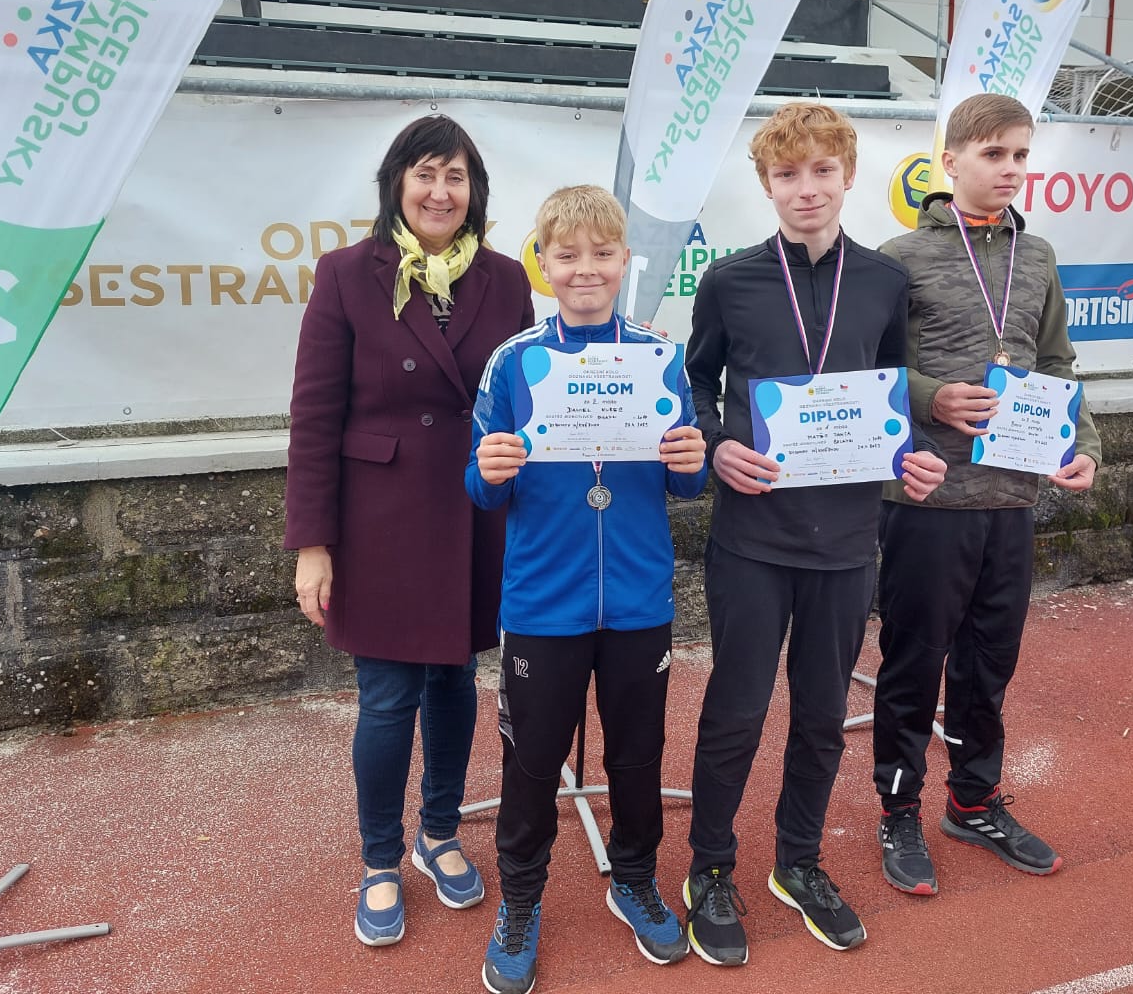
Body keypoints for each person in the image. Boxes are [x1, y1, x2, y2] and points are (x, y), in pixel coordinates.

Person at [682, 103, 947, 965]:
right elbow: (695, 383)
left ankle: (797, 862)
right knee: (736, 712)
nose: (807, 189)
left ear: (848, 175)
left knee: (824, 717)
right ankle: (709, 868)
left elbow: (890, 390)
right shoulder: (729, 280)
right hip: (753, 539)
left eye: (822, 171)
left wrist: (913, 455)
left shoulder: (882, 281)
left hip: (846, 540)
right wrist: (715, 445)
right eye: (788, 175)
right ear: (766, 184)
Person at [284, 114, 535, 947]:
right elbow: (314, 417)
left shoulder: (506, 278)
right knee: (389, 697)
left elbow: (525, 399)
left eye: (456, 176)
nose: (440, 191)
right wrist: (312, 544)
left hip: (471, 511)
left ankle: (440, 833)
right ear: (397, 183)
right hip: (380, 520)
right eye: (425, 173)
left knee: (456, 682)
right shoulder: (346, 274)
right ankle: (380, 861)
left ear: (475, 192)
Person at [467, 185, 708, 994]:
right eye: (567, 255)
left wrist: (692, 463)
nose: (585, 269)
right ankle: (521, 901)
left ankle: (634, 880)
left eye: (602, 254)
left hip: (638, 600)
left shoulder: (658, 357)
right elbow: (481, 486)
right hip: (543, 603)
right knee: (532, 762)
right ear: (543, 264)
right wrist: (488, 470)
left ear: (625, 261)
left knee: (638, 756)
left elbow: (685, 481)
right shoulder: (513, 361)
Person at [872, 92, 1100, 899]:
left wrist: (1085, 445)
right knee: (913, 663)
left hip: (1012, 497)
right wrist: (931, 396)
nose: (1010, 169)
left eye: (1021, 155)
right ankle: (898, 810)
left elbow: (1058, 364)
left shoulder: (1037, 257)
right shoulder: (899, 258)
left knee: (989, 664)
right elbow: (870, 369)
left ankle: (972, 800)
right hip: (928, 498)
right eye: (993, 154)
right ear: (951, 161)